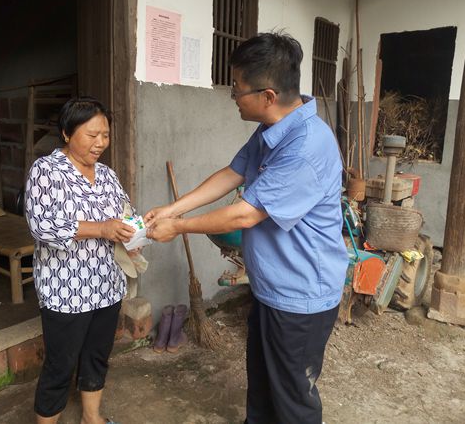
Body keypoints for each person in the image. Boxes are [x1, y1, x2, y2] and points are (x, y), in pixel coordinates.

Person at [145, 31, 348, 424]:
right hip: (273, 288)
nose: (234, 96)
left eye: (237, 89)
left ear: (267, 96)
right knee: (263, 387)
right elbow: (233, 172)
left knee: (293, 400)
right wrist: (172, 208)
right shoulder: (274, 128)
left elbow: (244, 215)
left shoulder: (306, 146)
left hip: (301, 296)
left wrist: (178, 226)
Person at [25, 97, 134, 424]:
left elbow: (125, 214)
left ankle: (91, 418)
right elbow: (41, 225)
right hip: (66, 292)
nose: (100, 143)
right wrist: (101, 228)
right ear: (67, 133)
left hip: (107, 286)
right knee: (60, 365)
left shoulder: (107, 175)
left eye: (105, 135)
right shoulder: (46, 171)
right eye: (92, 135)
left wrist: (135, 235)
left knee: (97, 356)